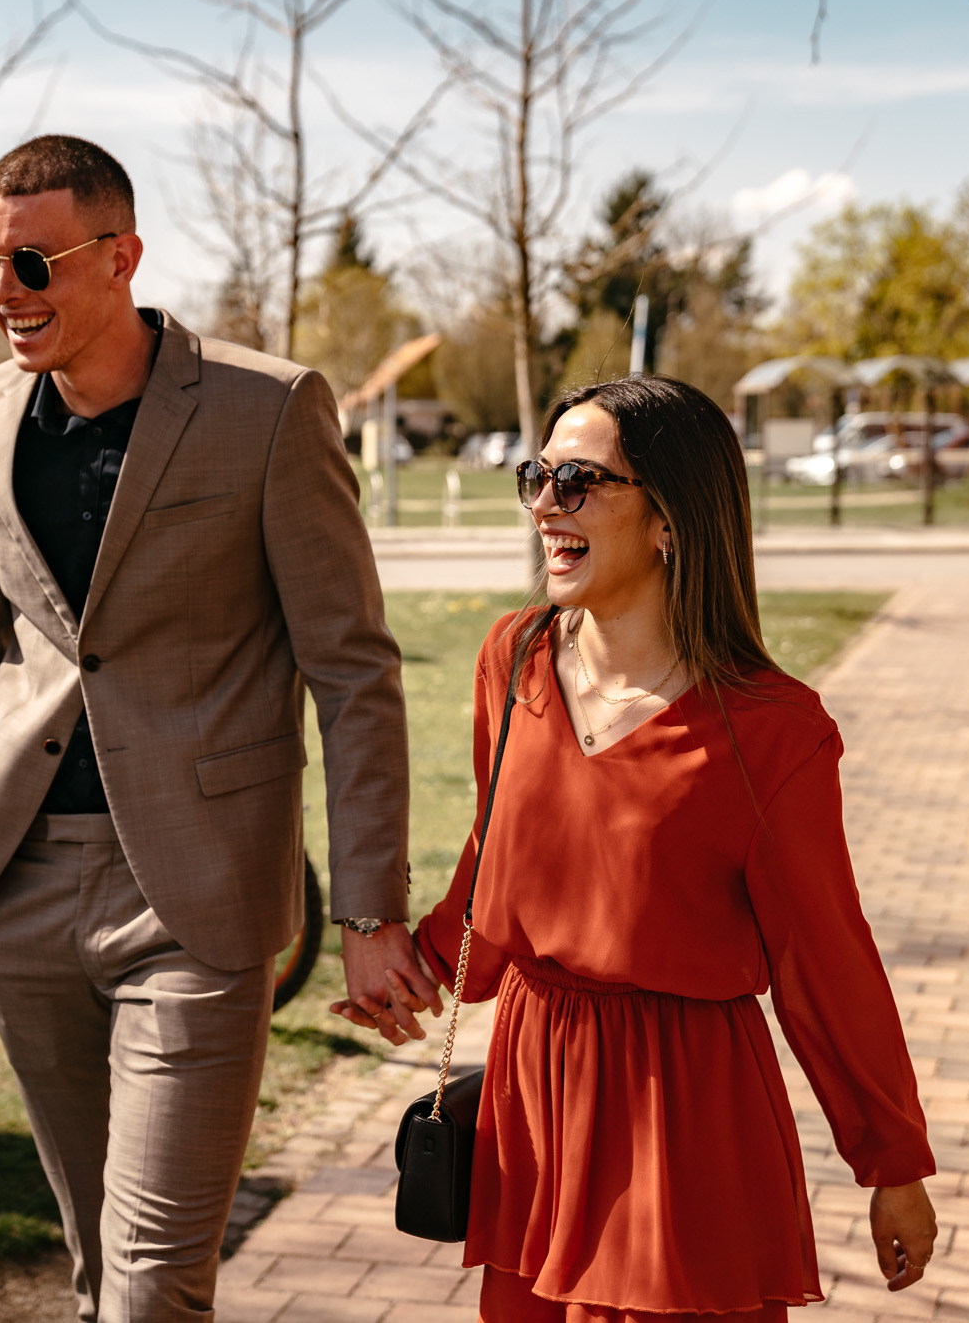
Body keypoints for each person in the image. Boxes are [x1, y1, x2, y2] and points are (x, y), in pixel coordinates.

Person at [0, 134, 438, 1323]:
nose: (2, 291)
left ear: (121, 257)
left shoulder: (267, 408)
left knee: (154, 1281)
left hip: (193, 899)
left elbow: (351, 669)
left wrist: (370, 911)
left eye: (31, 263)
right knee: (94, 1264)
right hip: (14, 881)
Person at [336, 375, 937, 1322]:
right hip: (535, 1099)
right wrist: (415, 965)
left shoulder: (772, 732)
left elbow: (825, 957)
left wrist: (892, 1163)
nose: (546, 503)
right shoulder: (515, 658)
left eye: (579, 482)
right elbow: (497, 859)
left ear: (668, 519)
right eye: (538, 476)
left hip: (682, 1116)